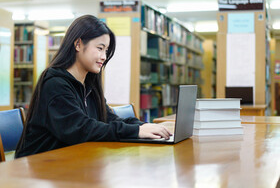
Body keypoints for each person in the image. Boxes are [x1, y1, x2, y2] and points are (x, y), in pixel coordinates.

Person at [15, 15, 171, 157]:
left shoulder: (88, 84)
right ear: (78, 44)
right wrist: (136, 131)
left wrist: (146, 127)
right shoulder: (55, 83)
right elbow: (80, 129)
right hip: (39, 168)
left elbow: (108, 119)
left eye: (106, 50)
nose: (104, 57)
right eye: (100, 48)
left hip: (69, 161)